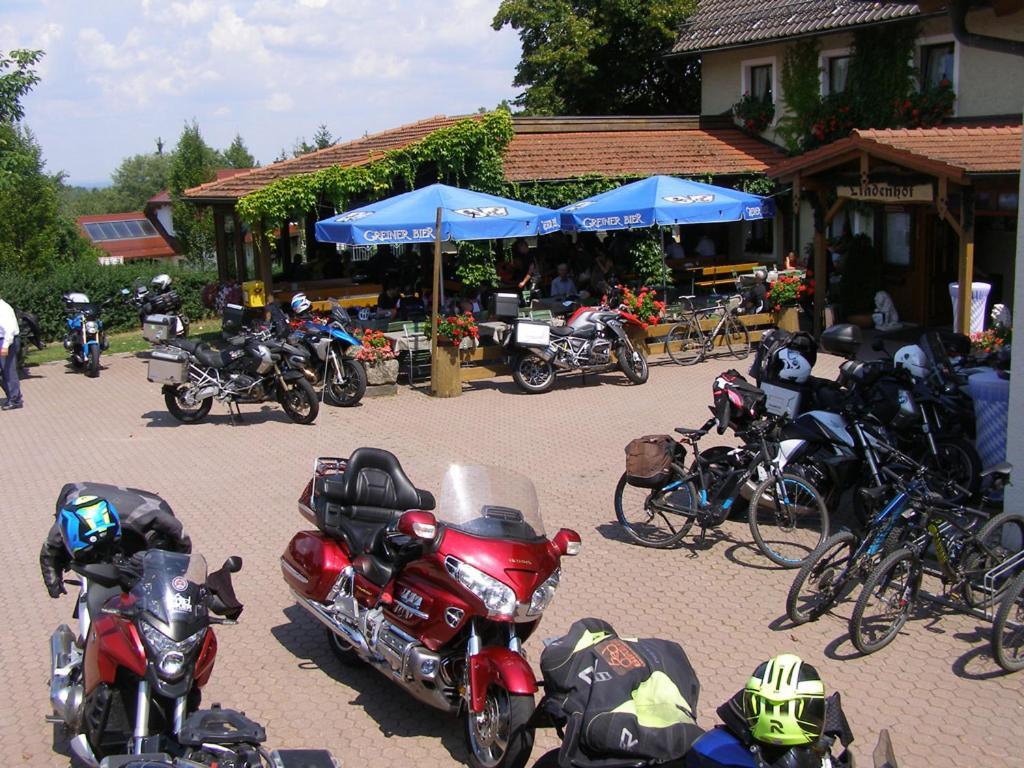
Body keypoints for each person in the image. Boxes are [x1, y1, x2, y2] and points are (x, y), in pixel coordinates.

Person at [39, 482, 193, 599]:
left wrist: (176, 575)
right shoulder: (67, 523)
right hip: (84, 493)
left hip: (144, 510)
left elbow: (182, 538)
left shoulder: (153, 518)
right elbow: (49, 552)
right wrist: (53, 582)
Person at [0, 296, 23, 410]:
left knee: (8, 371)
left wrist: (5, 346)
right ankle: (13, 396)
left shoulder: (3, 308)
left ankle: (15, 399)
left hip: (7, 341)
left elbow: (9, 330)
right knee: (4, 372)